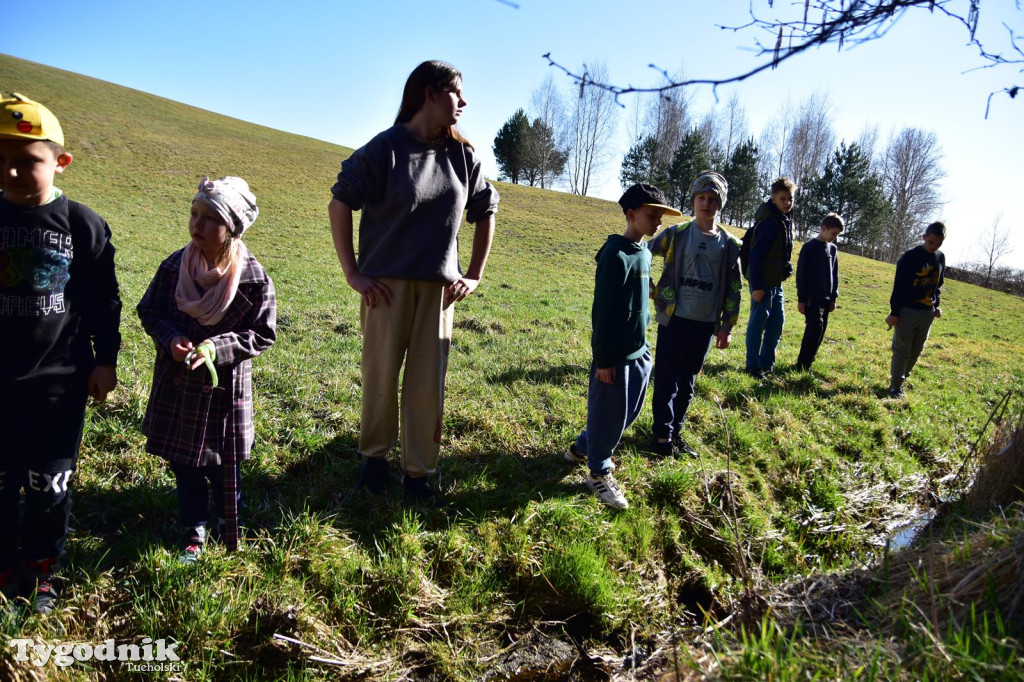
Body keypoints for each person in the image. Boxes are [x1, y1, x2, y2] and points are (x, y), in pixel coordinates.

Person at [329, 60, 499, 503]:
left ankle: (418, 475)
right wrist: (353, 272)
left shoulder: (464, 154)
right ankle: (373, 461)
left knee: (427, 387)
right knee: (380, 378)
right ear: (429, 92)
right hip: (385, 287)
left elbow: (487, 210)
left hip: (440, 292)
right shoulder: (385, 148)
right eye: (455, 93)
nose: (463, 102)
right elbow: (340, 201)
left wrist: (474, 274)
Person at [0, 93, 121, 614]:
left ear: (59, 162)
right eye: (0, 156)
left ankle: (42, 569)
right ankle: (4, 564)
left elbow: (103, 301)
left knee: (48, 484)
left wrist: (105, 359)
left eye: (28, 159)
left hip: (60, 382)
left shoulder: (83, 225)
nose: (10, 169)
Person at [137, 176, 276, 562]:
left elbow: (262, 334)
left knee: (222, 464)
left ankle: (227, 519)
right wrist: (171, 339)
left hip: (224, 392)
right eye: (193, 213)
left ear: (231, 227)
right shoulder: (174, 266)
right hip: (178, 384)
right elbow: (150, 311)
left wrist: (217, 346)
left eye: (209, 218)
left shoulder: (253, 279)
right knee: (185, 464)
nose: (196, 225)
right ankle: (193, 528)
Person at [564, 183, 679, 508]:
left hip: (640, 351)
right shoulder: (615, 255)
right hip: (614, 357)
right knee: (609, 414)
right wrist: (603, 361)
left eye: (660, 216)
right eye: (650, 215)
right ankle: (598, 473)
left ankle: (584, 445)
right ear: (630, 214)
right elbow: (602, 313)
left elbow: (642, 292)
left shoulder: (642, 252)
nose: (657, 222)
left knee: (626, 414)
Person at [647, 171, 742, 458]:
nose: (706, 204)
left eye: (713, 199)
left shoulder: (730, 245)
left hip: (704, 326)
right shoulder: (677, 234)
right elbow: (643, 250)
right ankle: (661, 436)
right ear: (693, 200)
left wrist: (726, 326)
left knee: (687, 382)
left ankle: (675, 432)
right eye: (701, 197)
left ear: (720, 204)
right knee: (666, 378)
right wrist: (648, 285)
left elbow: (734, 288)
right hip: (674, 319)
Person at [885, 222, 946, 398]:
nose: (934, 246)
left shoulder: (941, 258)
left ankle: (903, 380)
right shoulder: (909, 257)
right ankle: (895, 386)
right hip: (907, 312)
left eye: (938, 244)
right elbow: (898, 287)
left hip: (927, 313)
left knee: (916, 349)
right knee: (902, 350)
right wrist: (894, 312)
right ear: (924, 237)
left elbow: (938, 285)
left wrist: (936, 305)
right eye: (931, 242)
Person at [745, 177, 797, 378]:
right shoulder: (769, 222)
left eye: (790, 199)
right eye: (783, 198)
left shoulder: (784, 219)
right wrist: (757, 286)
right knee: (758, 322)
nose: (787, 203)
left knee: (776, 323)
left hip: (776, 283)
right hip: (762, 283)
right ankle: (753, 366)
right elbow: (756, 255)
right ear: (773, 198)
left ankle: (767, 364)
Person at [794, 213, 844, 372]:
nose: (835, 237)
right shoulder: (809, 247)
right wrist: (801, 299)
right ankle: (801, 365)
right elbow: (801, 275)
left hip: (826, 298)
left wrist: (834, 297)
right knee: (814, 329)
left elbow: (834, 274)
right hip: (811, 298)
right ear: (824, 228)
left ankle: (809, 362)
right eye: (833, 233)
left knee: (821, 331)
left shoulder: (833, 249)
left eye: (837, 235)